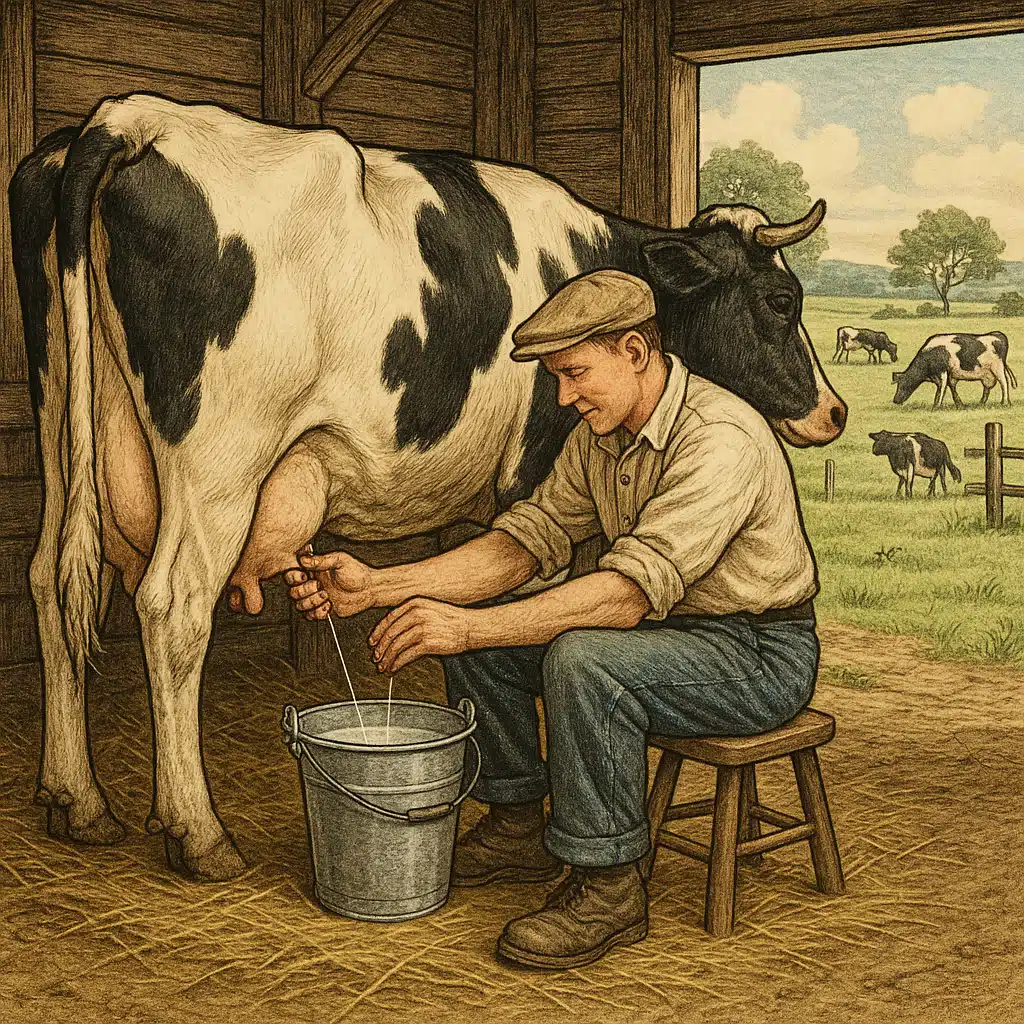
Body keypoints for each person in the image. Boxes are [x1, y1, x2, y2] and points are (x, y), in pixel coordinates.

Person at [284, 269, 820, 969]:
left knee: (580, 660)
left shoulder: (721, 437)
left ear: (635, 351)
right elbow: (524, 544)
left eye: (575, 374)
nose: (564, 396)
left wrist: (465, 627)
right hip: (671, 634)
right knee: (488, 620)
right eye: (557, 378)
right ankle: (516, 825)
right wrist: (380, 586)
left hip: (757, 653)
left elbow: (624, 597)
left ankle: (610, 886)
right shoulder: (602, 436)